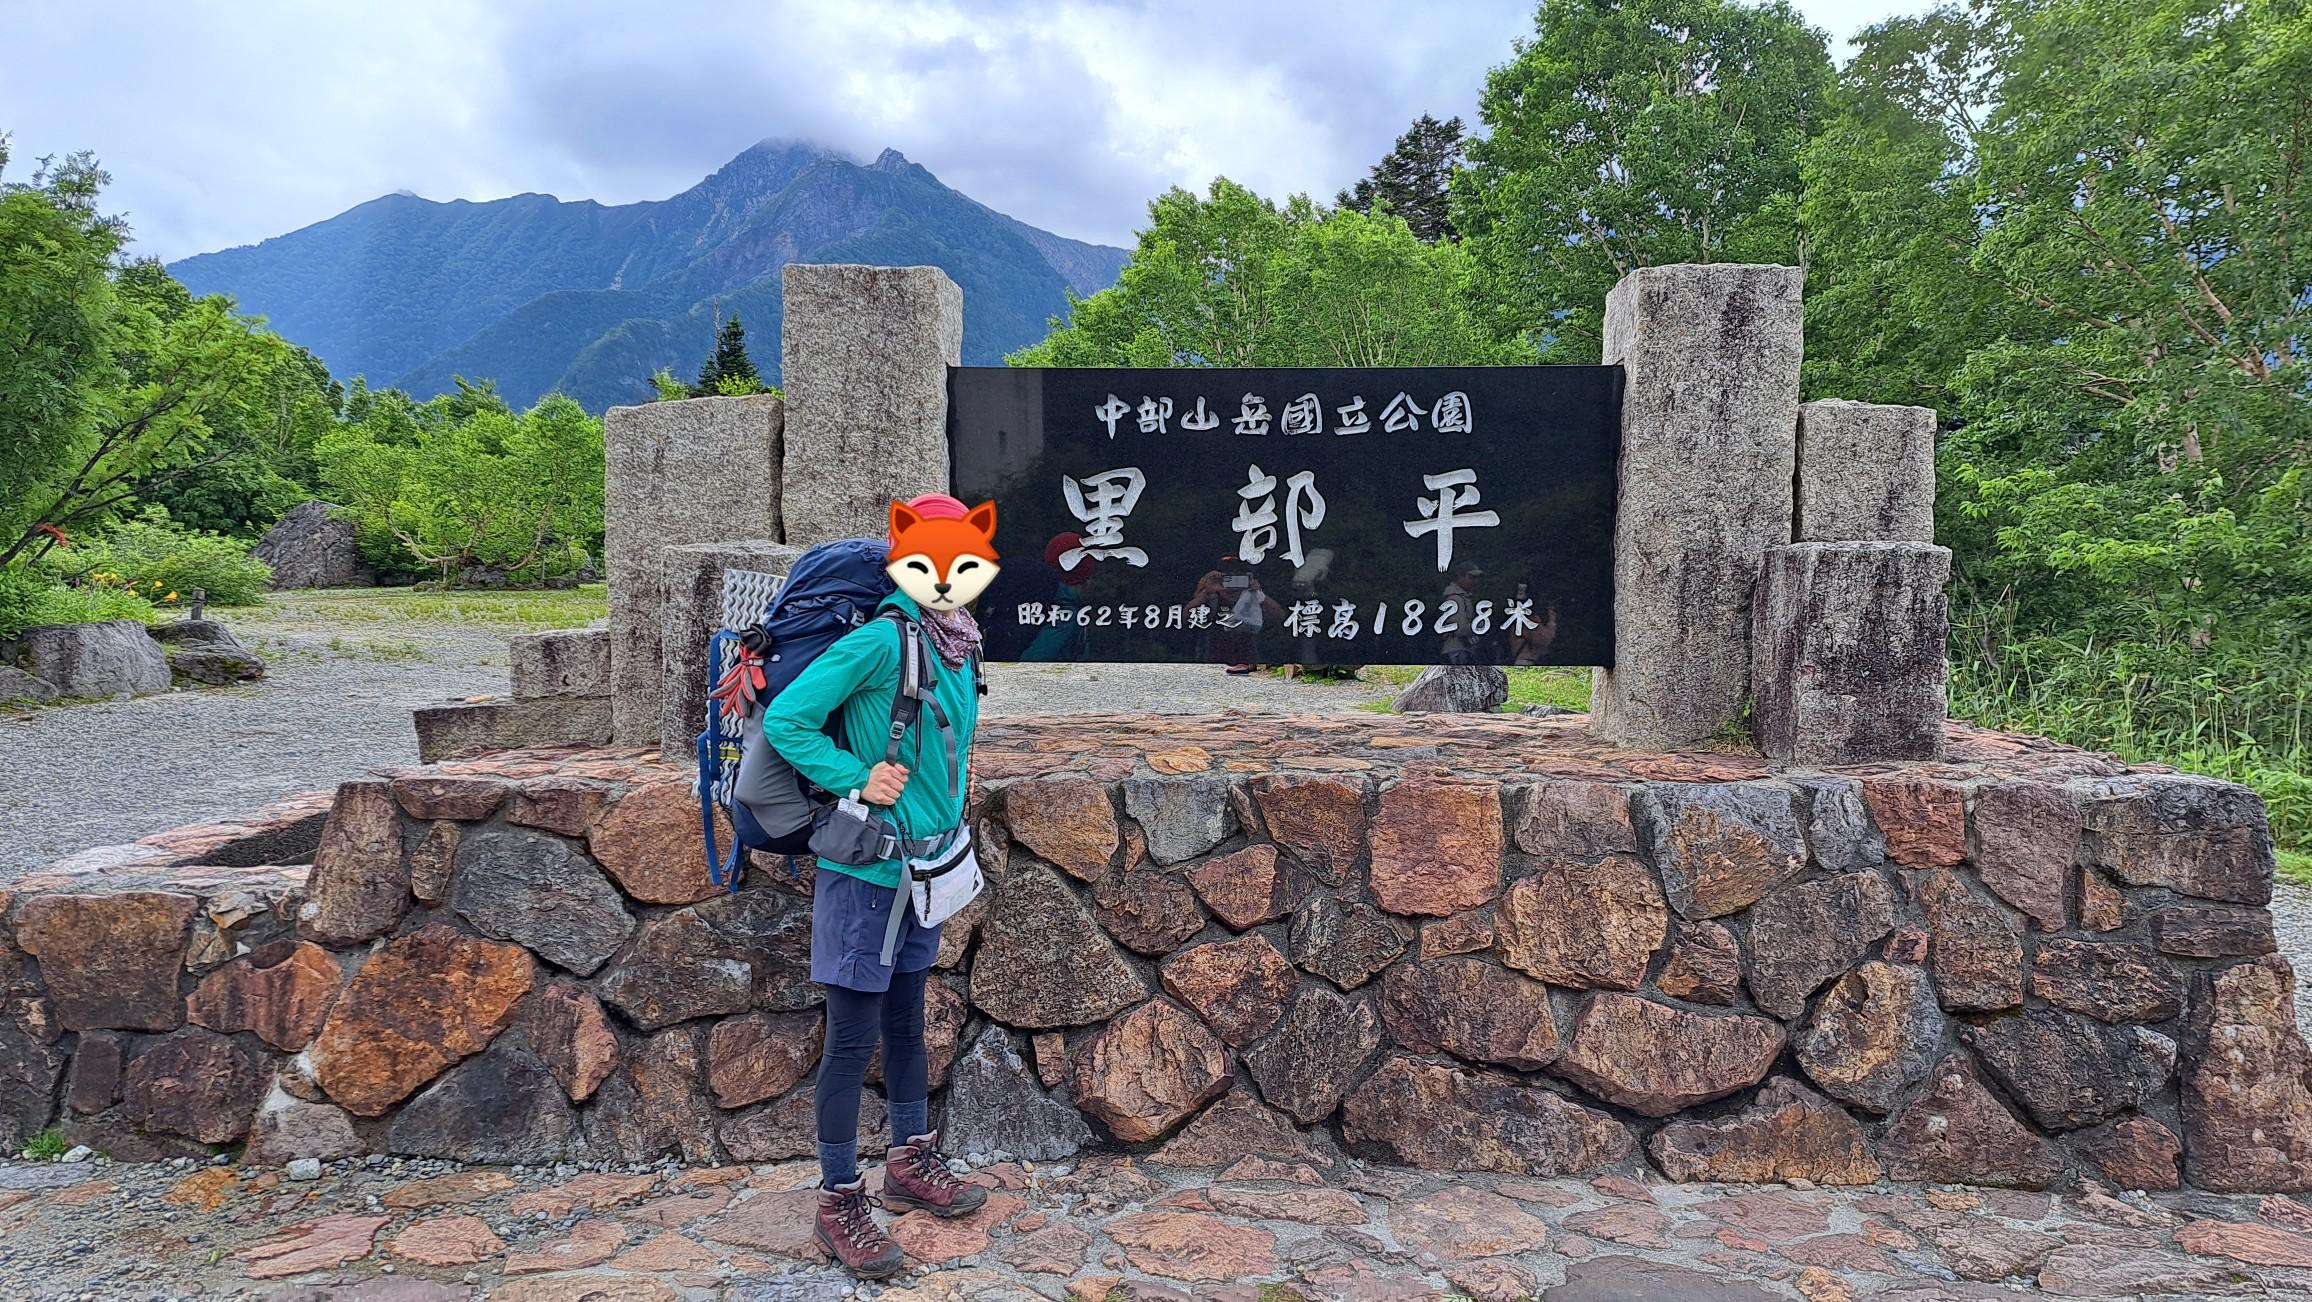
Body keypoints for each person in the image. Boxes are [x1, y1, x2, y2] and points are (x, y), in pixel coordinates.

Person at [760, 492, 996, 1280]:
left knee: (906, 1021)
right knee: (852, 1037)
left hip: (924, 870)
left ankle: (908, 1161)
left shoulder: (956, 644)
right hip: (865, 873)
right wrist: (856, 776)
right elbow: (789, 720)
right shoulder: (878, 642)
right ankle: (837, 1201)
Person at [1438, 562, 1482, 665]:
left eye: (1476, 578)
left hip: (1460, 649)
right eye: (1471, 577)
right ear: (1460, 577)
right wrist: (1480, 624)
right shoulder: (1456, 599)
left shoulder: (1463, 597)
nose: (1475, 581)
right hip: (1456, 650)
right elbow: (1460, 629)